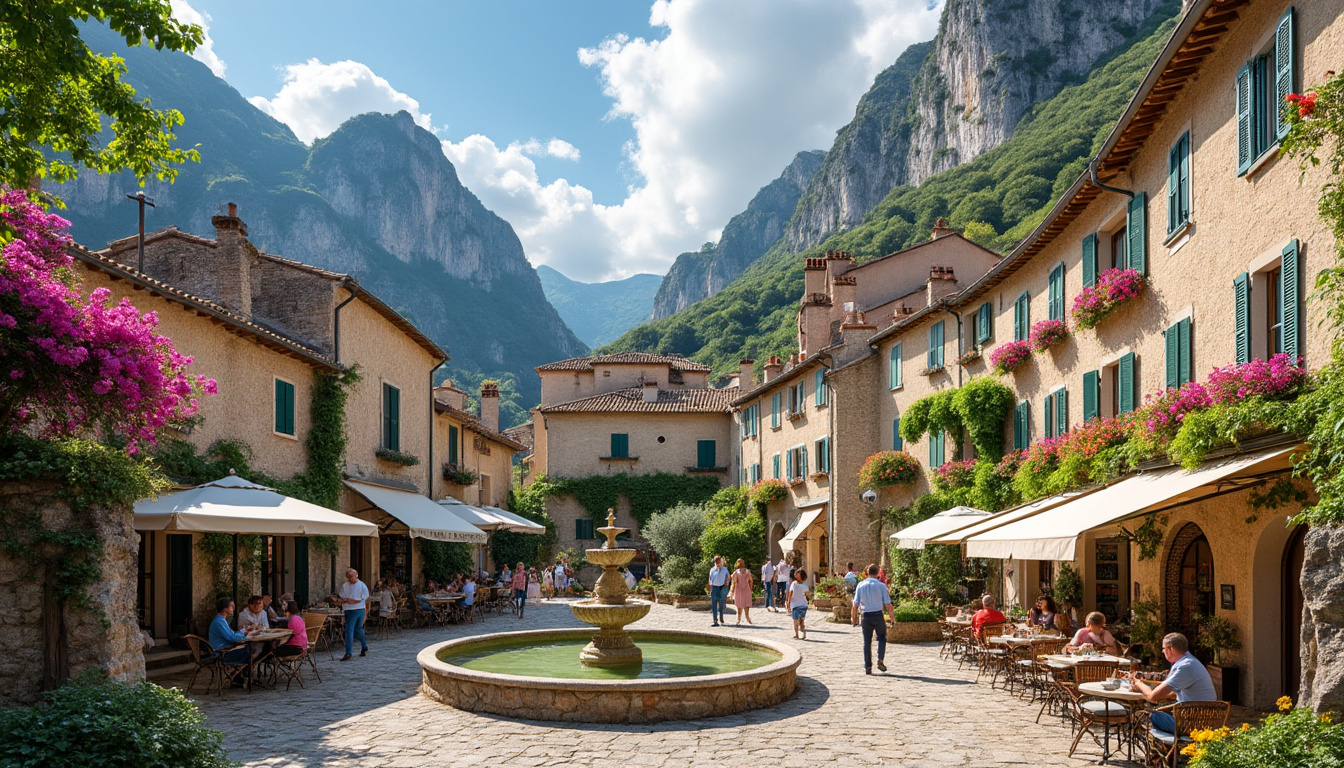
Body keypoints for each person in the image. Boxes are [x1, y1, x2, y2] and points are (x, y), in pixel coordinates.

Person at [1131, 632, 1218, 736]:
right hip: (1203, 719)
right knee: (1161, 712)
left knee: (1151, 716)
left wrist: (1138, 683)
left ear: (1170, 648)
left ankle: (1164, 748)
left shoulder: (1185, 666)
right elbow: (1166, 685)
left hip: (1193, 725)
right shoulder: (1189, 662)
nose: (1162, 652)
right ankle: (1167, 748)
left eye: (1163, 648)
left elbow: (1153, 696)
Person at [851, 564, 895, 674]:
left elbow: (855, 604)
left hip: (866, 615)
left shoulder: (861, 585)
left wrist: (853, 618)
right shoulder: (881, 586)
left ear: (867, 572)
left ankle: (868, 667)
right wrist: (892, 618)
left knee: (867, 642)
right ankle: (880, 659)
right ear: (878, 573)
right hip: (877, 615)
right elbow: (888, 604)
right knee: (882, 638)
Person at [331, 568, 369, 661]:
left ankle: (348, 653)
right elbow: (342, 598)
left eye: (351, 576)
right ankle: (364, 646)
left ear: (356, 575)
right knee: (354, 630)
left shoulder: (362, 586)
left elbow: (359, 599)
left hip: (358, 609)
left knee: (352, 630)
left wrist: (347, 600)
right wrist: (341, 600)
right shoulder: (345, 585)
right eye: (348, 577)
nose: (350, 578)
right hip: (348, 609)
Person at [208, 598, 252, 664]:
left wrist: (242, 633)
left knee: (248, 648)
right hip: (222, 653)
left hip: (225, 649)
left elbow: (232, 634)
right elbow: (231, 638)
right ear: (225, 608)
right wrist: (244, 634)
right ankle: (243, 672)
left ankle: (242, 671)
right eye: (231, 606)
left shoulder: (222, 620)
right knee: (249, 650)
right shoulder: (219, 622)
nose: (233, 609)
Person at [707, 555, 730, 627]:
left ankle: (721, 617)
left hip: (722, 588)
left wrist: (727, 581)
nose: (718, 563)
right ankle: (715, 620)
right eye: (716, 561)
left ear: (721, 561)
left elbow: (728, 577)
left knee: (721, 604)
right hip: (714, 588)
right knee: (714, 604)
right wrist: (710, 589)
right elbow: (710, 579)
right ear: (715, 562)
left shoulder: (725, 569)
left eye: (719, 561)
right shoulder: (712, 570)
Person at [729, 558, 754, 626]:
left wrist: (750, 589)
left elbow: (751, 581)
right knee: (739, 604)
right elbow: (733, 583)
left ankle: (747, 617)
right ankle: (738, 619)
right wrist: (731, 592)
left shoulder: (747, 571)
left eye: (741, 562)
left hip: (746, 589)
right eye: (739, 562)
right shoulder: (736, 572)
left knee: (746, 604)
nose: (741, 563)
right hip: (739, 589)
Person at [788, 568, 810, 640]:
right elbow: (807, 594)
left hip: (796, 605)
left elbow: (790, 594)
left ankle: (797, 634)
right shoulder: (804, 586)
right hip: (804, 605)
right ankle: (803, 633)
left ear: (800, 576)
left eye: (797, 573)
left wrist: (788, 603)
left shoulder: (794, 584)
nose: (795, 574)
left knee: (796, 620)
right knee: (801, 620)